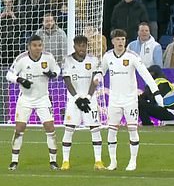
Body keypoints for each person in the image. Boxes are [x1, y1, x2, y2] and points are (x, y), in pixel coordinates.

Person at [101, 29, 163, 171]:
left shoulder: (132, 56)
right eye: (118, 40)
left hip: (130, 100)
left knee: (132, 130)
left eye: (123, 39)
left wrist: (156, 92)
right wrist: (97, 77)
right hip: (114, 100)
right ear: (112, 42)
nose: (120, 42)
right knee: (112, 130)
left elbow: (145, 74)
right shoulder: (107, 56)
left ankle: (132, 161)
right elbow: (101, 71)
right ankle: (113, 162)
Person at [6, 34, 61, 171]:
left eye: (40, 45)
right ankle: (14, 161)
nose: (38, 48)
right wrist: (20, 80)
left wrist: (54, 74)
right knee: (19, 129)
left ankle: (53, 161)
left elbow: (57, 69)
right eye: (35, 46)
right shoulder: (21, 59)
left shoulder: (48, 57)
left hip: (43, 99)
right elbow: (9, 74)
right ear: (29, 47)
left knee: (50, 128)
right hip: (25, 99)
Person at [60, 35, 104, 171]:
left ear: (87, 46)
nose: (81, 48)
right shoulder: (67, 60)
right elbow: (67, 81)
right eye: (79, 45)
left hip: (90, 100)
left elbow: (95, 80)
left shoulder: (94, 60)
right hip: (74, 100)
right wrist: (78, 98)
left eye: (83, 45)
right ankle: (65, 161)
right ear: (74, 46)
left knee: (95, 129)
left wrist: (89, 97)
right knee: (69, 129)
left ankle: (98, 161)